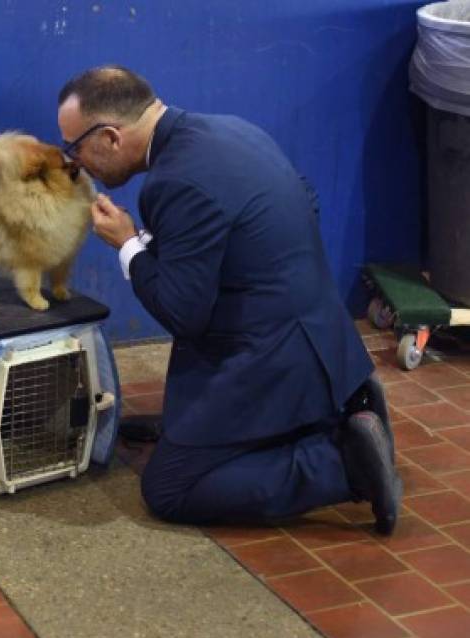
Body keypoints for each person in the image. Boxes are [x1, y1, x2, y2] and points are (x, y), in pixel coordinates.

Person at [57, 65, 402, 534]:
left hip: (271, 354)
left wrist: (127, 244)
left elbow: (182, 313)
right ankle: (336, 403)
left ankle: (342, 463)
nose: (75, 162)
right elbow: (306, 200)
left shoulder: (172, 181)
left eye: (75, 147)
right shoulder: (233, 129)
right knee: (192, 395)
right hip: (318, 331)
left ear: (112, 138)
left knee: (170, 487)